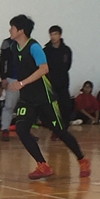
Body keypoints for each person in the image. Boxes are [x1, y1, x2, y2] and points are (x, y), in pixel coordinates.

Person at [7, 15, 90, 179]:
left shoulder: (34, 47)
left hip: (44, 98)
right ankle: (42, 165)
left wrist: (22, 83)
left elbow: (44, 69)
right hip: (27, 99)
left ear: (20, 30)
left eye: (12, 27)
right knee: (21, 129)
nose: (10, 30)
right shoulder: (13, 47)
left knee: (60, 131)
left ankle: (82, 160)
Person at [43, 25, 76, 140]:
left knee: (65, 107)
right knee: (52, 109)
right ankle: (55, 130)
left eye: (55, 34)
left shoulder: (66, 50)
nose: (53, 37)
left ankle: (64, 129)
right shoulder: (46, 51)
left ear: (60, 35)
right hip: (50, 83)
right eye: (51, 34)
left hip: (63, 83)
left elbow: (67, 65)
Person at [0, 36, 19, 141]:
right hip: (11, 78)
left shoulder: (29, 43)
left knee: (26, 107)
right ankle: (5, 129)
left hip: (25, 79)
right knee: (9, 105)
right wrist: (3, 77)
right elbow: (2, 60)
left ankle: (25, 129)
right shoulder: (7, 43)